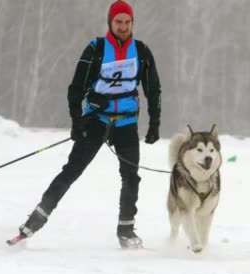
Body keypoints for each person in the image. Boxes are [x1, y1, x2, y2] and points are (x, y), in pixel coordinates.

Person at [16, 0, 161, 249]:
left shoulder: (142, 51)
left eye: (127, 22)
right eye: (118, 22)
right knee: (72, 171)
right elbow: (75, 89)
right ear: (110, 22)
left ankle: (126, 230)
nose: (123, 26)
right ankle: (34, 221)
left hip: (126, 122)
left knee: (131, 177)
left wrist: (155, 123)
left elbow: (153, 90)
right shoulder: (96, 49)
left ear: (132, 23)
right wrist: (76, 122)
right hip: (96, 120)